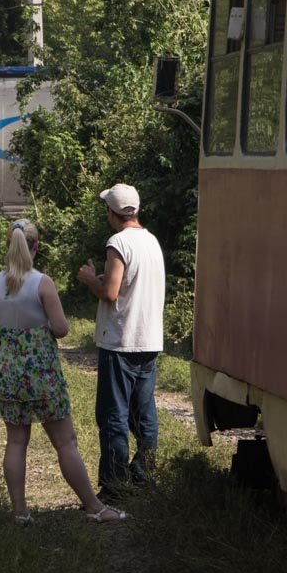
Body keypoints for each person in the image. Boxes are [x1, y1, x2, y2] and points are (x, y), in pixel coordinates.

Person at [0, 219, 127, 525]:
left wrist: (9, 333)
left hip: (7, 373)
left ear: (8, 245)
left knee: (16, 442)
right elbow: (61, 328)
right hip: (41, 375)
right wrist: (37, 329)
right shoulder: (42, 283)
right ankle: (95, 507)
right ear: (36, 247)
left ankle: (20, 512)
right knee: (65, 441)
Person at [76, 184, 166, 499]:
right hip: (149, 338)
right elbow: (131, 286)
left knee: (113, 415)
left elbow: (111, 294)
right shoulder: (151, 241)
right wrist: (103, 281)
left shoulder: (118, 243)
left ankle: (114, 485)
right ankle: (143, 473)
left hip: (121, 341)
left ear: (112, 213)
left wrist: (89, 278)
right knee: (143, 412)